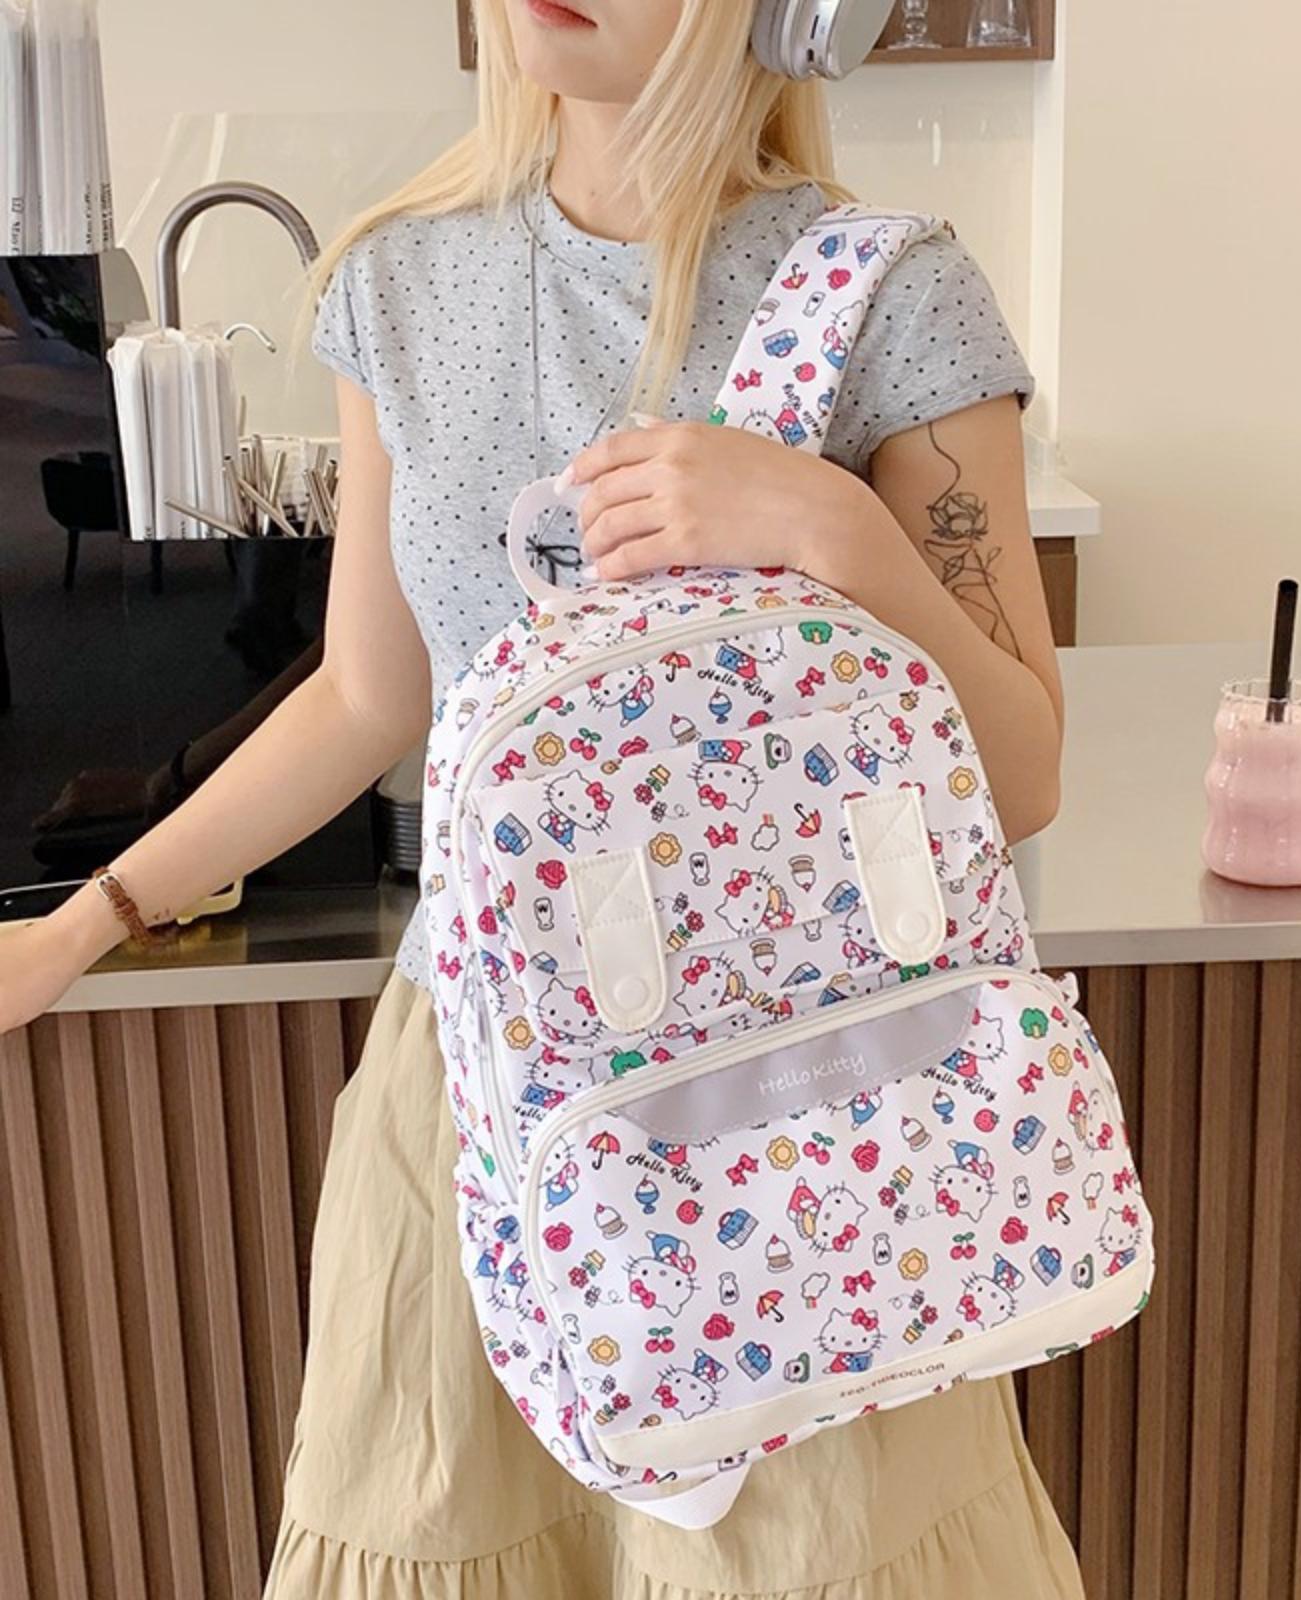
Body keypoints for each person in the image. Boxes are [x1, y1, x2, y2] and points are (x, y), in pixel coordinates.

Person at [0, 2, 1078, 1594]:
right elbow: (370, 700)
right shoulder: (395, 282)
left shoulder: (888, 293)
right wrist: (85, 920)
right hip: (480, 1091)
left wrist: (835, 533)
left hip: (791, 1105)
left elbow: (1025, 770)